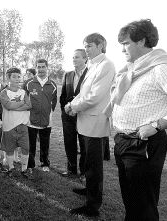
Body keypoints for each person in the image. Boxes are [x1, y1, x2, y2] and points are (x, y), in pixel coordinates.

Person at [104, 19, 167, 221]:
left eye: (126, 43)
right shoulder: (134, 68)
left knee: (143, 205)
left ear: (142, 41)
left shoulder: (162, 67)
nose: (122, 49)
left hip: (143, 143)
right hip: (123, 141)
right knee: (131, 201)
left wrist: (157, 125)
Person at [66, 33, 116, 217]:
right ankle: (89, 190)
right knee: (88, 161)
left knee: (94, 166)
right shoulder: (93, 64)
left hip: (95, 121)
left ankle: (92, 206)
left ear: (101, 45)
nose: (86, 49)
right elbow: (83, 92)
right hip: (86, 120)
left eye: (89, 46)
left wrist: (73, 106)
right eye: (85, 46)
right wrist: (73, 103)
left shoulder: (106, 65)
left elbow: (95, 96)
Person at [23, 59, 57, 172]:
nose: (41, 69)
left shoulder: (52, 85)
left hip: (47, 120)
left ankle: (45, 164)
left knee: (45, 143)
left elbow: (54, 102)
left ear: (47, 68)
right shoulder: (28, 83)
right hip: (31, 120)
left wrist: (47, 111)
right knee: (31, 144)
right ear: (36, 68)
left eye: (43, 67)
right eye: (39, 67)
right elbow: (24, 100)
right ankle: (30, 165)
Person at [59, 49, 88, 178]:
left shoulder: (91, 73)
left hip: (83, 115)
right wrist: (65, 111)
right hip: (68, 116)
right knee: (69, 142)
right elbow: (63, 95)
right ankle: (71, 169)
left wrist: (77, 109)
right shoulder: (68, 74)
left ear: (85, 59)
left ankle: (84, 172)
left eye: (77, 57)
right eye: (73, 57)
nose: (74, 60)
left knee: (84, 145)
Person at [0, 67, 32, 177]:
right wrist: (21, 103)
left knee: (26, 148)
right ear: (8, 77)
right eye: (14, 76)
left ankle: (24, 169)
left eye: (19, 76)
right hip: (9, 126)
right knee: (9, 149)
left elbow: (29, 105)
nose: (17, 79)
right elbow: (8, 105)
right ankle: (11, 168)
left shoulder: (23, 92)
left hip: (22, 126)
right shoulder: (4, 93)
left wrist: (14, 107)